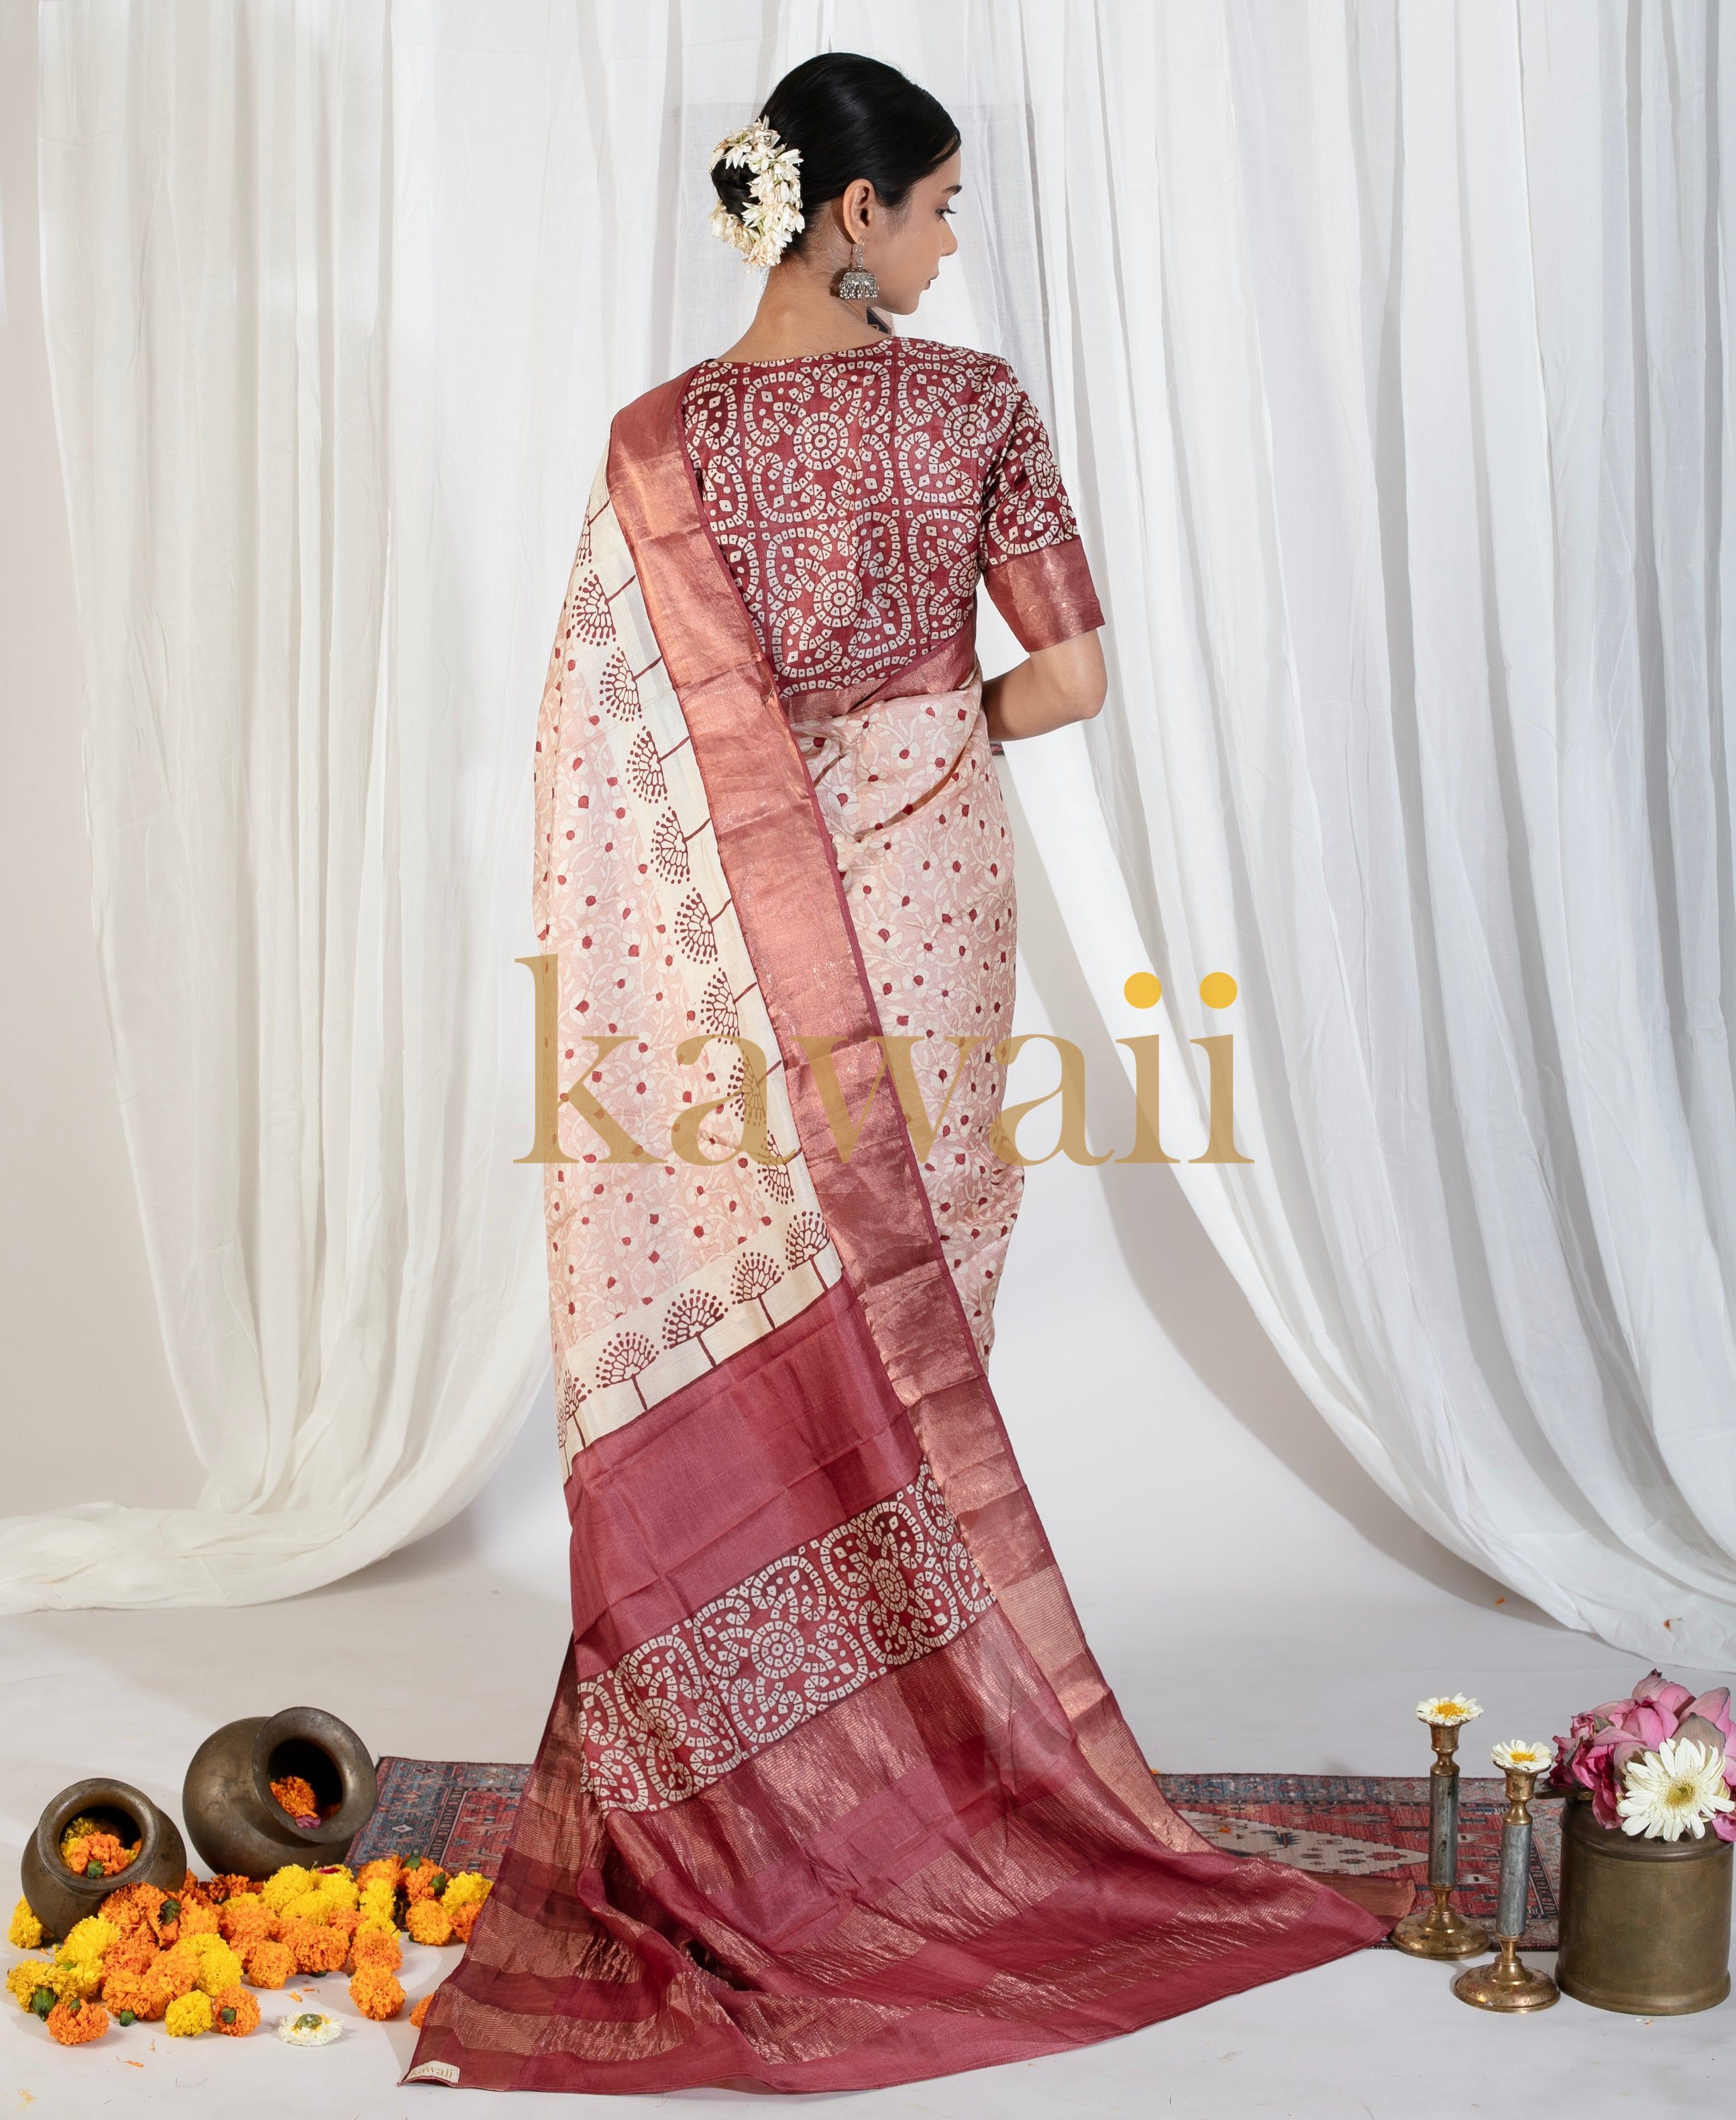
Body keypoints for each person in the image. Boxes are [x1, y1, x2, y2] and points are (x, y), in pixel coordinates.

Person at [406, 51, 1390, 2097]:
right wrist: (924, 741)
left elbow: (621, 756)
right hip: (924, 934)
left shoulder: (655, 444)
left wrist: (783, 799)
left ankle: (732, 1784)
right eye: (935, 207)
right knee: (910, 1326)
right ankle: (902, 1777)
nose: (950, 246)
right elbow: (1070, 677)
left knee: (756, 1308)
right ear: (847, 214)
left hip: (727, 982)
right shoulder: (969, 413)